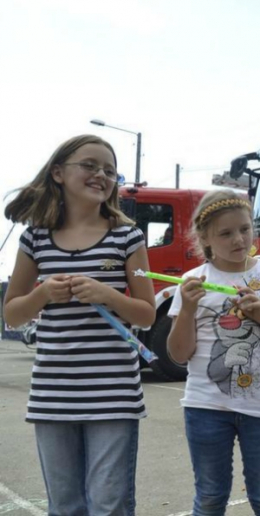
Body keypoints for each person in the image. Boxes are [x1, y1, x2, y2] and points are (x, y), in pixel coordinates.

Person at [2, 135, 156, 515]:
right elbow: (12, 314)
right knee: (65, 505)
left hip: (114, 393)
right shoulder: (34, 237)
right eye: (89, 165)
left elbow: (147, 313)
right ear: (58, 172)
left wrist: (108, 295)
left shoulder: (128, 236)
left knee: (110, 504)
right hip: (53, 393)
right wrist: (42, 295)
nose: (101, 175)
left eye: (109, 170)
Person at [167, 189, 260, 515]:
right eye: (225, 233)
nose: (238, 239)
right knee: (211, 497)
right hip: (205, 407)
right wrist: (187, 310)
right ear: (204, 238)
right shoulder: (192, 281)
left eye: (244, 229)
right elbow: (178, 353)